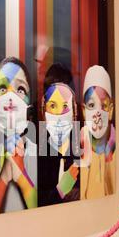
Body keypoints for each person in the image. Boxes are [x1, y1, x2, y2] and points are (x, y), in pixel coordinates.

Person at [0, 57, 38, 215]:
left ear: (29, 109)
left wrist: (21, 175)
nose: (10, 98)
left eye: (20, 89)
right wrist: (4, 177)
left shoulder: (40, 156)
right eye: (2, 88)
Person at [38, 63, 80, 206]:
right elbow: (37, 200)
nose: (59, 115)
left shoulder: (77, 137)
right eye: (53, 105)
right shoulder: (40, 143)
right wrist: (60, 191)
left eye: (65, 106)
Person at [80, 65, 116, 200]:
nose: (97, 113)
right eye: (91, 105)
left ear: (111, 110)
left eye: (103, 106)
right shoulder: (76, 148)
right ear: (84, 111)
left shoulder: (118, 150)